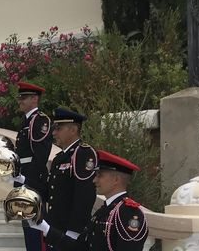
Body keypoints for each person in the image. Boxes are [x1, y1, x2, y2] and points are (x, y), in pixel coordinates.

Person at [29, 150, 149, 250]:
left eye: (99, 175)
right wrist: (45, 228)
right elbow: (81, 247)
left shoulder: (129, 213)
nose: (94, 180)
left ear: (116, 180)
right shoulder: (104, 211)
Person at [44, 108, 97, 248]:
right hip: (55, 229)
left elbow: (84, 195)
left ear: (73, 130)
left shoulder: (83, 154)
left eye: (58, 128)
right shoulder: (59, 158)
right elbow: (52, 192)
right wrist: (21, 180)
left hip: (69, 231)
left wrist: (73, 231)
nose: (54, 133)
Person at [13, 82, 53, 251]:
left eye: (24, 97)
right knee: (27, 225)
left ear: (34, 99)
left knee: (35, 226)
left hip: (32, 179)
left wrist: (29, 180)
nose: (20, 101)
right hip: (24, 178)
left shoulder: (40, 121)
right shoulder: (27, 121)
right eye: (20, 97)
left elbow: (40, 155)